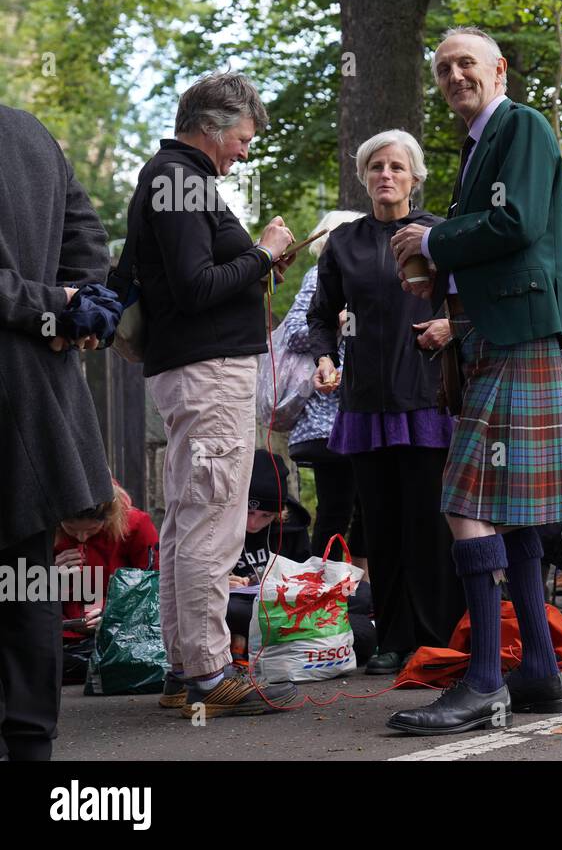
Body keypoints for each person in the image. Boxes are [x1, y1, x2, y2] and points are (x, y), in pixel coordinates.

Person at [384, 27, 562, 733]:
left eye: (464, 63)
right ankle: (536, 671)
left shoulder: (521, 125)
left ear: (497, 70)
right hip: (497, 331)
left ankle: (483, 683)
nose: (453, 75)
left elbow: (517, 222)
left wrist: (433, 238)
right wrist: (441, 271)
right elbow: (500, 236)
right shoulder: (480, 143)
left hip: (516, 332)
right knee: (515, 508)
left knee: (462, 496)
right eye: (442, 68)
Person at [129, 72, 299, 717]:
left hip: (193, 372)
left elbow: (190, 278)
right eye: (244, 137)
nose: (245, 152)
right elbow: (198, 285)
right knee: (212, 518)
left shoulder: (170, 178)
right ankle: (207, 672)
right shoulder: (180, 178)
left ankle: (184, 669)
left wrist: (256, 264)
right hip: (211, 373)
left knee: (187, 521)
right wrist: (263, 253)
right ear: (213, 125)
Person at [307, 130, 463, 676]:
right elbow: (320, 314)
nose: (386, 175)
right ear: (364, 176)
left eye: (397, 166)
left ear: (415, 177)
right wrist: (325, 358)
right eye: (376, 167)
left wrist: (452, 325)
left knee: (429, 523)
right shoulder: (345, 241)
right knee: (380, 528)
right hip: (365, 404)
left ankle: (439, 636)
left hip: (427, 398)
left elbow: (471, 299)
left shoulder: (440, 235)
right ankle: (394, 639)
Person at [0, 102, 117, 758]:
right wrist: (72, 309)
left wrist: (55, 307)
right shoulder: (35, 135)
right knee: (25, 578)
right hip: (37, 398)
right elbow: (88, 254)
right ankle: (29, 745)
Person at [223, 451, 376, 671]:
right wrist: (222, 581)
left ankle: (284, 640)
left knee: (361, 593)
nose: (254, 523)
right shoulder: (219, 525)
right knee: (229, 609)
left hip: (293, 605)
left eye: (266, 516)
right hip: (248, 607)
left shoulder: (291, 526)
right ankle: (313, 637)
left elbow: (306, 573)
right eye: (249, 512)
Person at [281, 210, 368, 573]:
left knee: (368, 510)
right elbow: (294, 333)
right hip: (328, 421)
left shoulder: (373, 277)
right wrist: (336, 320)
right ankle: (319, 592)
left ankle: (365, 596)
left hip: (370, 409)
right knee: (336, 507)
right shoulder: (318, 277)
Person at [55, 484, 159, 687]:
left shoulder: (135, 525)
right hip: (64, 632)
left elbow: (154, 585)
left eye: (92, 529)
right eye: (71, 529)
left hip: (121, 632)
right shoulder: (48, 531)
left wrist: (111, 611)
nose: (82, 537)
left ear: (109, 518)